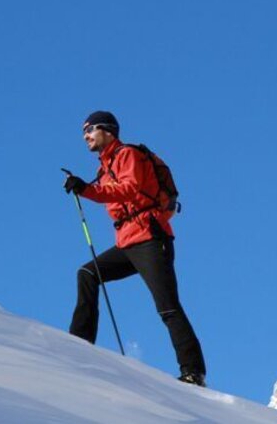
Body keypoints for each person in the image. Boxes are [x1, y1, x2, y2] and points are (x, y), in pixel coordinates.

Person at [63, 110, 207, 386]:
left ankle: (193, 372)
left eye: (90, 130)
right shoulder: (104, 168)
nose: (85, 136)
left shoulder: (127, 154)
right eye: (84, 132)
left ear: (107, 130)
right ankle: (79, 344)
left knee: (167, 307)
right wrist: (85, 187)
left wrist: (86, 190)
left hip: (150, 238)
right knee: (87, 273)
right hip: (128, 242)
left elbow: (129, 188)